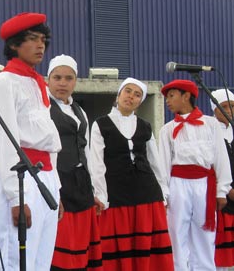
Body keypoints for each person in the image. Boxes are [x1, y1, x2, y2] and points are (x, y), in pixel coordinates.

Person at [0, 12, 62, 270]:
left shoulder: (38, 83)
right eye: (32, 39)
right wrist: (16, 198)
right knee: (14, 259)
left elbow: (50, 141)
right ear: (14, 44)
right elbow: (4, 142)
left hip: (45, 177)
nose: (40, 45)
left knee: (41, 260)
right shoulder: (5, 82)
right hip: (20, 177)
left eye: (43, 39)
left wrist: (55, 188)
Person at [89, 78, 173, 271]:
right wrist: (101, 195)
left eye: (137, 95)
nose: (131, 97)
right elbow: (96, 163)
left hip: (147, 193)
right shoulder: (101, 124)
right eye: (128, 91)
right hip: (117, 194)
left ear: (140, 101)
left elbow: (155, 161)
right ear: (118, 94)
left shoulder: (145, 126)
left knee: (146, 246)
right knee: (118, 249)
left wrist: (163, 191)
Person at [159, 79, 231, 271]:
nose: (167, 100)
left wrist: (221, 190)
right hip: (177, 184)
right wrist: (164, 192)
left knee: (205, 234)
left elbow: (220, 158)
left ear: (186, 96)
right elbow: (163, 164)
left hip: (204, 184)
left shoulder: (210, 124)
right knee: (176, 233)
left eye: (171, 95)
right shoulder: (167, 129)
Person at [46, 55, 102, 271]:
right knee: (60, 245)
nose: (63, 83)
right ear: (48, 79)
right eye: (57, 77)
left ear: (75, 81)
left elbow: (86, 150)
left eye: (68, 78)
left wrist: (94, 189)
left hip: (81, 185)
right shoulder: (43, 108)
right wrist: (53, 189)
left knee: (80, 244)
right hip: (59, 181)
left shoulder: (80, 111)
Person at [210, 89, 234, 270]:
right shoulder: (210, 132)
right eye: (223, 107)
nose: (229, 110)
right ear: (214, 110)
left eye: (232, 106)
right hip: (222, 200)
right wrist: (228, 189)